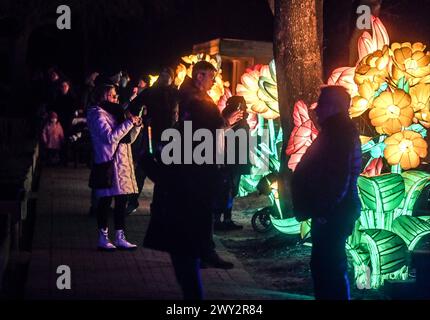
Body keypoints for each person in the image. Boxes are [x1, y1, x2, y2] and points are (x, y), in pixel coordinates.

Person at [143, 61, 243, 299]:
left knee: (186, 263)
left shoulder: (194, 102)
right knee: (186, 261)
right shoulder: (193, 102)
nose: (214, 81)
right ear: (199, 75)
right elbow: (204, 137)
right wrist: (224, 123)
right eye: (211, 76)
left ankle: (203, 254)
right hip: (185, 201)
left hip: (185, 197)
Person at [291, 86, 362, 300]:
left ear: (333, 106)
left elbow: (338, 178)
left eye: (321, 104)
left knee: (329, 267)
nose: (317, 110)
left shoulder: (339, 134)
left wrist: (324, 210)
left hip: (332, 214)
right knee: (326, 266)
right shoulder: (336, 131)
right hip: (331, 212)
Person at [87, 84, 143, 250]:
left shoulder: (115, 112)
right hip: (108, 163)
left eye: (115, 96)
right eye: (111, 95)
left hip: (122, 163)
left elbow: (127, 139)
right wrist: (128, 122)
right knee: (104, 201)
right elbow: (110, 138)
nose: (115, 99)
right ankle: (102, 238)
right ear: (101, 96)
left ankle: (120, 237)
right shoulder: (96, 114)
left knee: (121, 201)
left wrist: (136, 125)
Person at [126, 67, 178, 214]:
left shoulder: (176, 93)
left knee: (167, 172)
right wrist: (138, 120)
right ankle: (132, 201)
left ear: (172, 78)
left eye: (168, 75)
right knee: (142, 169)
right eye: (162, 74)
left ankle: (164, 204)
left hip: (171, 138)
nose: (165, 77)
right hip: (152, 135)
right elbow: (133, 106)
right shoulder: (151, 92)